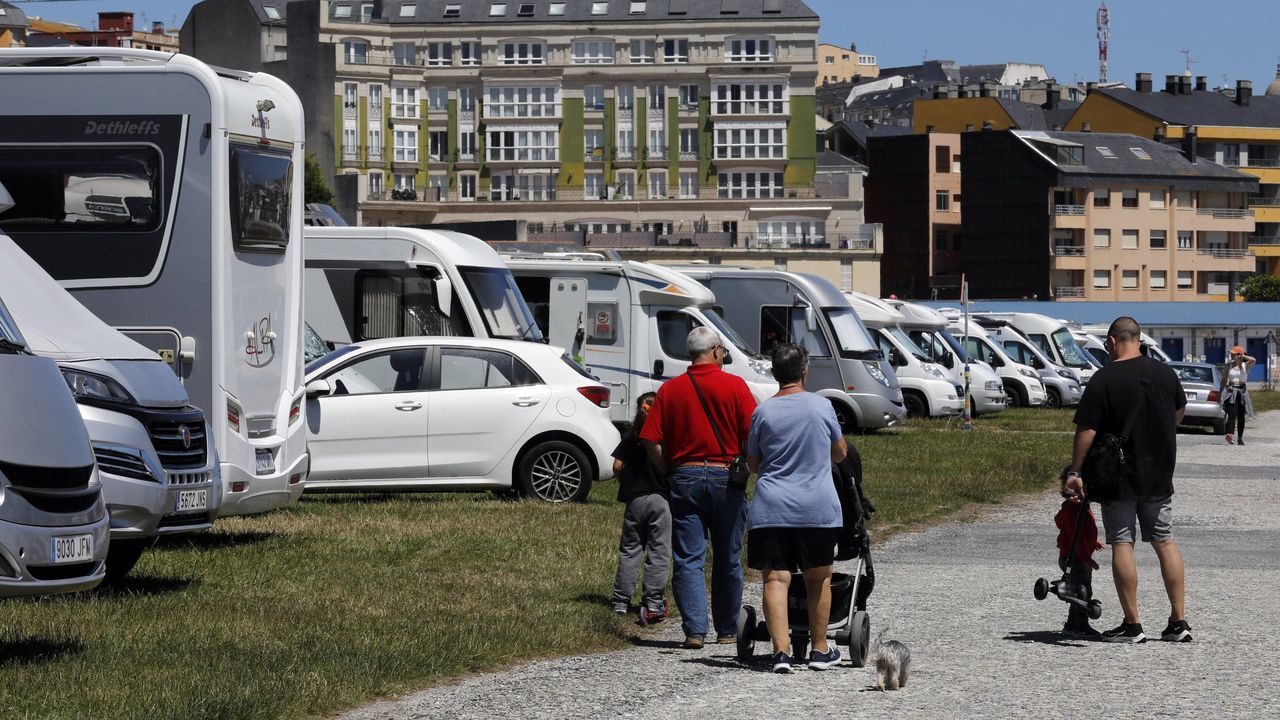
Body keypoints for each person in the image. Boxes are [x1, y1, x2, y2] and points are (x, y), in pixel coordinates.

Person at [1067, 316, 1192, 644]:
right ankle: (1178, 622)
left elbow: (1087, 429)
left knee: (1122, 542)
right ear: (1139, 339)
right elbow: (1178, 414)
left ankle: (1132, 625)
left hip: (1118, 478)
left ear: (1112, 341)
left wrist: (1076, 471)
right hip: (1159, 474)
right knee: (1164, 540)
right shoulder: (1166, 374)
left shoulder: (1104, 378)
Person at [641, 326, 757, 649]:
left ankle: (694, 630)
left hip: (685, 475)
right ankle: (727, 629)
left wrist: (668, 468)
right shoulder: (736, 386)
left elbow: (649, 439)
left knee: (689, 558)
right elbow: (753, 433)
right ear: (717, 351)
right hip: (726, 476)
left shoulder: (670, 390)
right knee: (728, 557)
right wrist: (747, 466)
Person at [745, 343, 848, 673]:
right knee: (818, 579)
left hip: (771, 507)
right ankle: (820, 649)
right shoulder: (822, 406)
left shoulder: (762, 412)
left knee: (775, 579)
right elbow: (840, 452)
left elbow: (753, 463)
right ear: (804, 372)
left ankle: (781, 653)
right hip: (816, 507)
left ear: (775, 373)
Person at [609, 393, 670, 624]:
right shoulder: (663, 437)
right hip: (660, 500)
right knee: (658, 551)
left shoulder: (631, 436)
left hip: (635, 501)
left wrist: (626, 483)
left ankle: (620, 601)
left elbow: (617, 466)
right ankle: (653, 601)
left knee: (630, 549)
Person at [1054, 467, 1104, 638]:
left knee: (1075, 591)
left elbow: (1077, 533)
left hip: (1071, 557)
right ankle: (1080, 625)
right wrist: (1087, 559)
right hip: (1075, 559)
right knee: (1083, 591)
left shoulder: (1078, 507)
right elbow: (1074, 537)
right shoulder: (1075, 510)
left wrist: (1093, 542)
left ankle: (1071, 624)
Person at [1219, 346, 1255, 445]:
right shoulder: (1228, 365)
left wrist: (1243, 356)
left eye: (1233, 354)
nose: (1231, 355)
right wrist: (1220, 393)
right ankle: (1230, 434)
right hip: (1231, 391)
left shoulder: (1245, 365)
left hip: (1242, 392)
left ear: (1239, 355)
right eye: (1231, 353)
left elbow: (1253, 360)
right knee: (1231, 414)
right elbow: (1224, 380)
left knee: (1241, 416)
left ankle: (1240, 437)